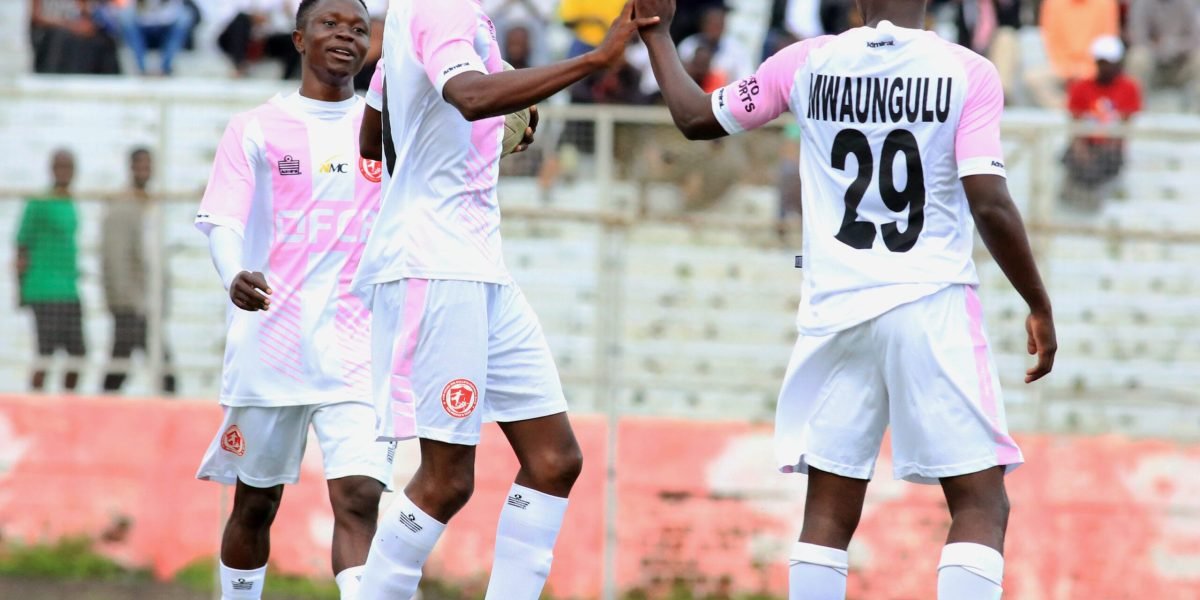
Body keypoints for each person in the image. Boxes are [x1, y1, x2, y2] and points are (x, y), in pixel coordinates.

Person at [633, 0, 1057, 597]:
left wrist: (657, 36)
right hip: (929, 300)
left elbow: (695, 117)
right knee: (980, 502)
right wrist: (1037, 302)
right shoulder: (967, 71)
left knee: (828, 513)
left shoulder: (807, 62)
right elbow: (987, 199)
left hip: (837, 308)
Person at [350, 2, 657, 598]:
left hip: (478, 262)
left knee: (554, 460)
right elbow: (468, 95)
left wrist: (483, 137)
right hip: (437, 264)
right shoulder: (444, 8)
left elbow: (373, 134)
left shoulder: (444, 15)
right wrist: (595, 59)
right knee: (445, 482)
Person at [192, 2, 393, 599]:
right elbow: (222, 219)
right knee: (256, 505)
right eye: (331, 24)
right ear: (300, 38)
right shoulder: (255, 127)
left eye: (359, 29)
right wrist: (234, 274)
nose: (347, 36)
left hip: (360, 347)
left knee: (358, 497)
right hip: (272, 345)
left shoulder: (387, 130)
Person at [101, 148, 179, 395]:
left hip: (147, 305)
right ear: (131, 167)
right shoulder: (122, 206)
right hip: (132, 306)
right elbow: (114, 259)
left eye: (149, 164)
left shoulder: (149, 204)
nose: (145, 170)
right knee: (160, 373)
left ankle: (102, 408)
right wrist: (125, 301)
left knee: (121, 369)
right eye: (140, 165)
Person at [16, 150, 86, 393]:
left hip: (69, 289)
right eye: (60, 166)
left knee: (78, 352)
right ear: (52, 169)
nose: (64, 172)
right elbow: (21, 246)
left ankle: (66, 402)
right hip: (43, 288)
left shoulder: (71, 203)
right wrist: (20, 289)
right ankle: (35, 403)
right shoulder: (39, 202)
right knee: (45, 353)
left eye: (69, 166)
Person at [1063, 36, 1142, 209]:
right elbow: (1075, 126)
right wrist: (1082, 151)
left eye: (1109, 62)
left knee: (1106, 161)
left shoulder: (1129, 88)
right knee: (1069, 157)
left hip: (1111, 147)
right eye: (1102, 62)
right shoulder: (1081, 87)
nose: (1105, 67)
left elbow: (1124, 128)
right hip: (1087, 143)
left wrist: (1108, 148)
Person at [1026, 0, 1119, 108]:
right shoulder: (1053, 3)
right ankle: (1068, 109)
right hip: (1062, 67)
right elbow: (1051, 41)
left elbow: (1108, 41)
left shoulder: (1106, 3)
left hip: (1096, 67)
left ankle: (1088, 109)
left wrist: (1087, 68)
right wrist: (1069, 69)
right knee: (1034, 79)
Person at [1126, 0, 1200, 104]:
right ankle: (1134, 109)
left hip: (1181, 66)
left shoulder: (1188, 3)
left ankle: (1197, 112)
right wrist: (1161, 48)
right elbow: (1137, 38)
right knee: (1137, 57)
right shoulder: (1141, 3)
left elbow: (1196, 39)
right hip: (1154, 66)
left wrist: (1174, 46)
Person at [29, 0, 121, 74]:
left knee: (101, 41)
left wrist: (88, 23)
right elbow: (36, 18)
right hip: (49, 31)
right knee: (61, 37)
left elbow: (86, 12)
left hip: (74, 27)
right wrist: (69, 25)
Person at [108, 0, 196, 76]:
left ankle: (165, 68)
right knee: (126, 17)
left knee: (184, 18)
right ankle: (141, 68)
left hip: (164, 32)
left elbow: (173, 12)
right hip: (142, 32)